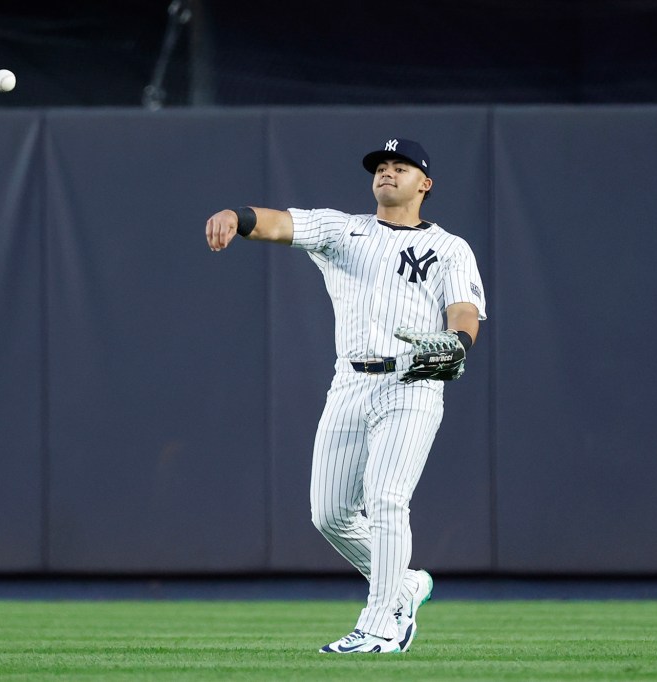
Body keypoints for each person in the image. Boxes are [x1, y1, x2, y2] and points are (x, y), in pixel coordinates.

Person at [205, 137, 487, 654]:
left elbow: (464, 311)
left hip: (413, 382)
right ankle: (403, 585)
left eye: (401, 166)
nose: (387, 172)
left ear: (424, 183)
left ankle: (382, 625)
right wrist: (235, 215)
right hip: (350, 384)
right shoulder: (343, 229)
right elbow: (277, 223)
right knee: (329, 514)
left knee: (385, 500)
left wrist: (458, 343)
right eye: (381, 165)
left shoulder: (450, 247)